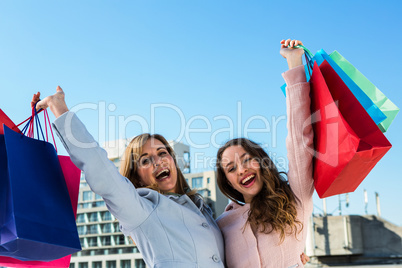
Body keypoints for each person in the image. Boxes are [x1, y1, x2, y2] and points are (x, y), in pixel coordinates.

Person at [32, 92, 225, 267]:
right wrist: (59, 108)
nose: (158, 162)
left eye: (162, 153)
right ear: (137, 178)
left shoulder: (202, 208)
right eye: (146, 160)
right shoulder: (143, 210)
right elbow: (100, 168)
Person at [216, 39, 314, 268]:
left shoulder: (295, 199)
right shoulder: (221, 225)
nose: (241, 170)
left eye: (247, 159)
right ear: (227, 181)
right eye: (231, 168)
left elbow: (300, 141)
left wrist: (294, 63)